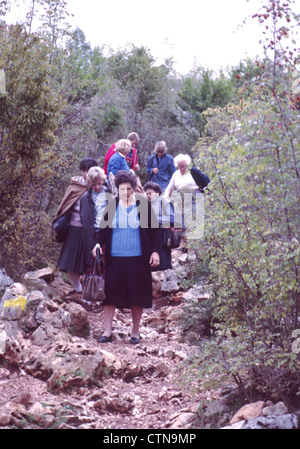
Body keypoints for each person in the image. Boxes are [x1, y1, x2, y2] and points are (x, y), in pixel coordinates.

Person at [92, 170, 161, 344]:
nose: (126, 193)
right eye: (122, 189)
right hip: (114, 258)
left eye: (129, 189)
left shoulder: (143, 205)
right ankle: (107, 331)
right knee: (109, 296)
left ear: (134, 188)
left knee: (137, 295)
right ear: (117, 189)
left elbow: (155, 232)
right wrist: (98, 244)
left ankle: (135, 332)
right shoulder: (112, 205)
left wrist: (155, 251)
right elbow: (101, 231)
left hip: (138, 258)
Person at [54, 157, 98, 293]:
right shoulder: (75, 185)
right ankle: (78, 288)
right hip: (74, 228)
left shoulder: (100, 187)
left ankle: (89, 290)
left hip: (91, 231)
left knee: (89, 263)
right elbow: (65, 205)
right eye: (83, 170)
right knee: (70, 263)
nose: (85, 174)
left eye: (88, 170)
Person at [164, 154, 203, 244]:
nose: (182, 169)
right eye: (180, 166)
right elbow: (169, 187)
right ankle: (183, 243)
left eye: (184, 166)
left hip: (194, 197)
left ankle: (194, 244)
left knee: (193, 219)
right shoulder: (176, 174)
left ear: (187, 165)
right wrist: (166, 196)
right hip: (181, 198)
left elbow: (204, 183)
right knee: (180, 219)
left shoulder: (193, 172)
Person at [144, 181, 175, 271]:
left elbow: (172, 218)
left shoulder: (164, 202)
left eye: (151, 193)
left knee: (164, 263)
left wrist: (153, 221)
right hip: (150, 237)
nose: (148, 196)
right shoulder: (145, 204)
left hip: (163, 235)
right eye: (147, 194)